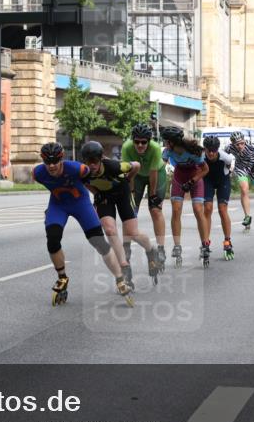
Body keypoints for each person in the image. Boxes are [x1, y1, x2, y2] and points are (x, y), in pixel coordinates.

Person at [32, 142, 133, 306]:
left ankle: (120, 279)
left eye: (55, 162)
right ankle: (62, 278)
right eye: (47, 162)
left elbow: (92, 179)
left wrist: (99, 194)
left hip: (81, 204)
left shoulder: (78, 169)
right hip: (58, 206)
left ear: (61, 159)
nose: (51, 166)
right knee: (53, 239)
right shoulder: (37, 173)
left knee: (99, 242)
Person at [79, 140, 161, 288]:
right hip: (105, 197)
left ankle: (151, 250)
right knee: (110, 230)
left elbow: (136, 165)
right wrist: (96, 193)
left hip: (122, 194)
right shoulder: (83, 172)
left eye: (95, 161)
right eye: (88, 161)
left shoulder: (113, 166)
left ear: (101, 159)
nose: (92, 165)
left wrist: (129, 178)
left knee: (132, 233)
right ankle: (124, 266)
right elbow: (85, 183)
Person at [160, 126, 211, 267]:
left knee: (198, 210)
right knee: (176, 210)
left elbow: (205, 169)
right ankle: (177, 246)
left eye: (166, 141)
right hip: (178, 177)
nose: (164, 144)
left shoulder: (193, 151)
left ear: (172, 142)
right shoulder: (167, 152)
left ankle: (205, 244)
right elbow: (160, 168)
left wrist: (192, 181)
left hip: (195, 177)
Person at [120, 123, 167, 268]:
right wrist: (132, 192)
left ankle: (160, 248)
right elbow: (129, 173)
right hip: (137, 176)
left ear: (148, 141)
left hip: (157, 174)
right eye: (137, 142)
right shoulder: (127, 147)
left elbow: (153, 173)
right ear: (132, 140)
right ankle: (126, 247)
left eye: (143, 142)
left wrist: (152, 195)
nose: (140, 145)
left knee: (155, 210)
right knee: (130, 212)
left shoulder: (154, 148)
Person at [201, 135, 236, 259]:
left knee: (222, 209)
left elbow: (232, 160)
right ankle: (205, 241)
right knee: (208, 208)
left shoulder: (224, 157)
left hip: (223, 181)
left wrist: (230, 170)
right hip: (208, 181)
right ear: (204, 149)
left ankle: (227, 241)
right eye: (208, 150)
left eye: (214, 150)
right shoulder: (201, 156)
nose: (211, 153)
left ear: (217, 149)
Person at [227, 130, 254, 231]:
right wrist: (226, 167)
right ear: (233, 144)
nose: (240, 146)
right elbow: (222, 156)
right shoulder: (229, 147)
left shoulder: (250, 144)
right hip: (241, 168)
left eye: (242, 143)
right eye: (237, 144)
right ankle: (247, 217)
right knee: (244, 189)